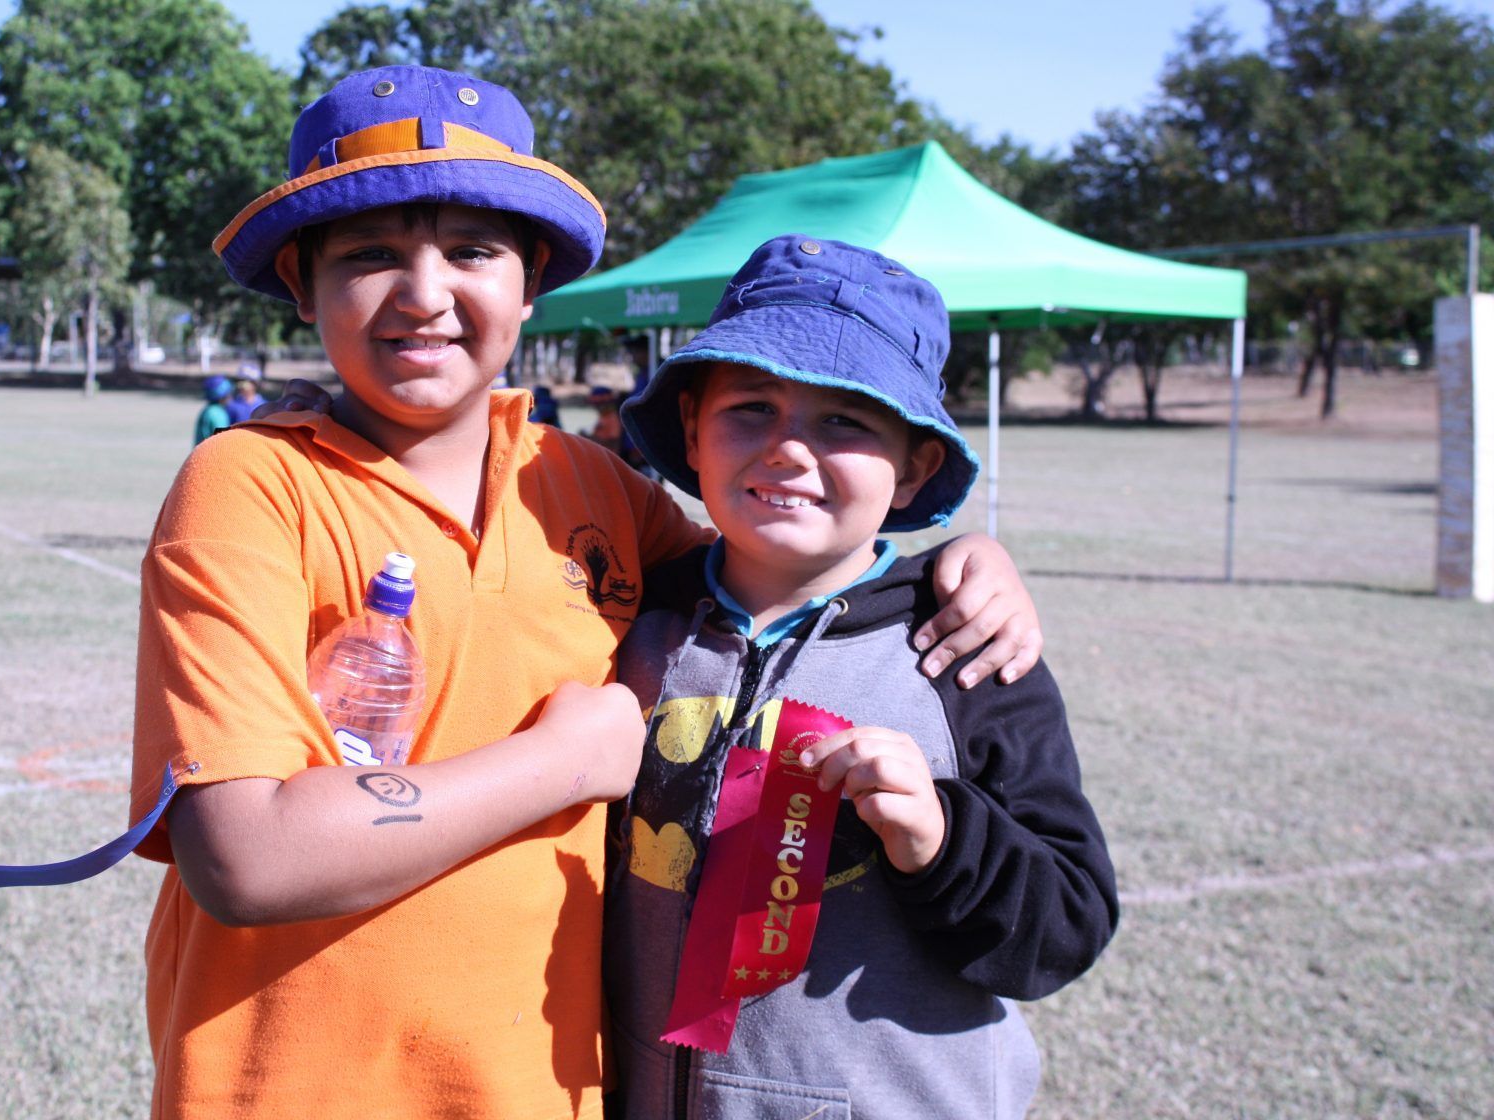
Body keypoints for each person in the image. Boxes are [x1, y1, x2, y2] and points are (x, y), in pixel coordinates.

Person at [132, 66, 1043, 1120]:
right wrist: (563, 761)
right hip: (286, 1085)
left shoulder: (587, 486)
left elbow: (793, 562)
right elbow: (244, 855)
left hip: (542, 1091)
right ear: (302, 281)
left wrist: (959, 562)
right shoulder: (251, 483)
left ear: (531, 282)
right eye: (371, 253)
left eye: (472, 250)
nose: (424, 292)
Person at [605, 235, 1119, 1119]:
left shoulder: (966, 650)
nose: (788, 451)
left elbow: (1067, 926)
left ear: (917, 463)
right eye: (751, 406)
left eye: (845, 419)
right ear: (691, 428)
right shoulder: (634, 613)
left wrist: (942, 840)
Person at [192, 375, 233, 444]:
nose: (231, 396)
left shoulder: (208, 410)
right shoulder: (217, 414)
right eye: (228, 393)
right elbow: (222, 441)